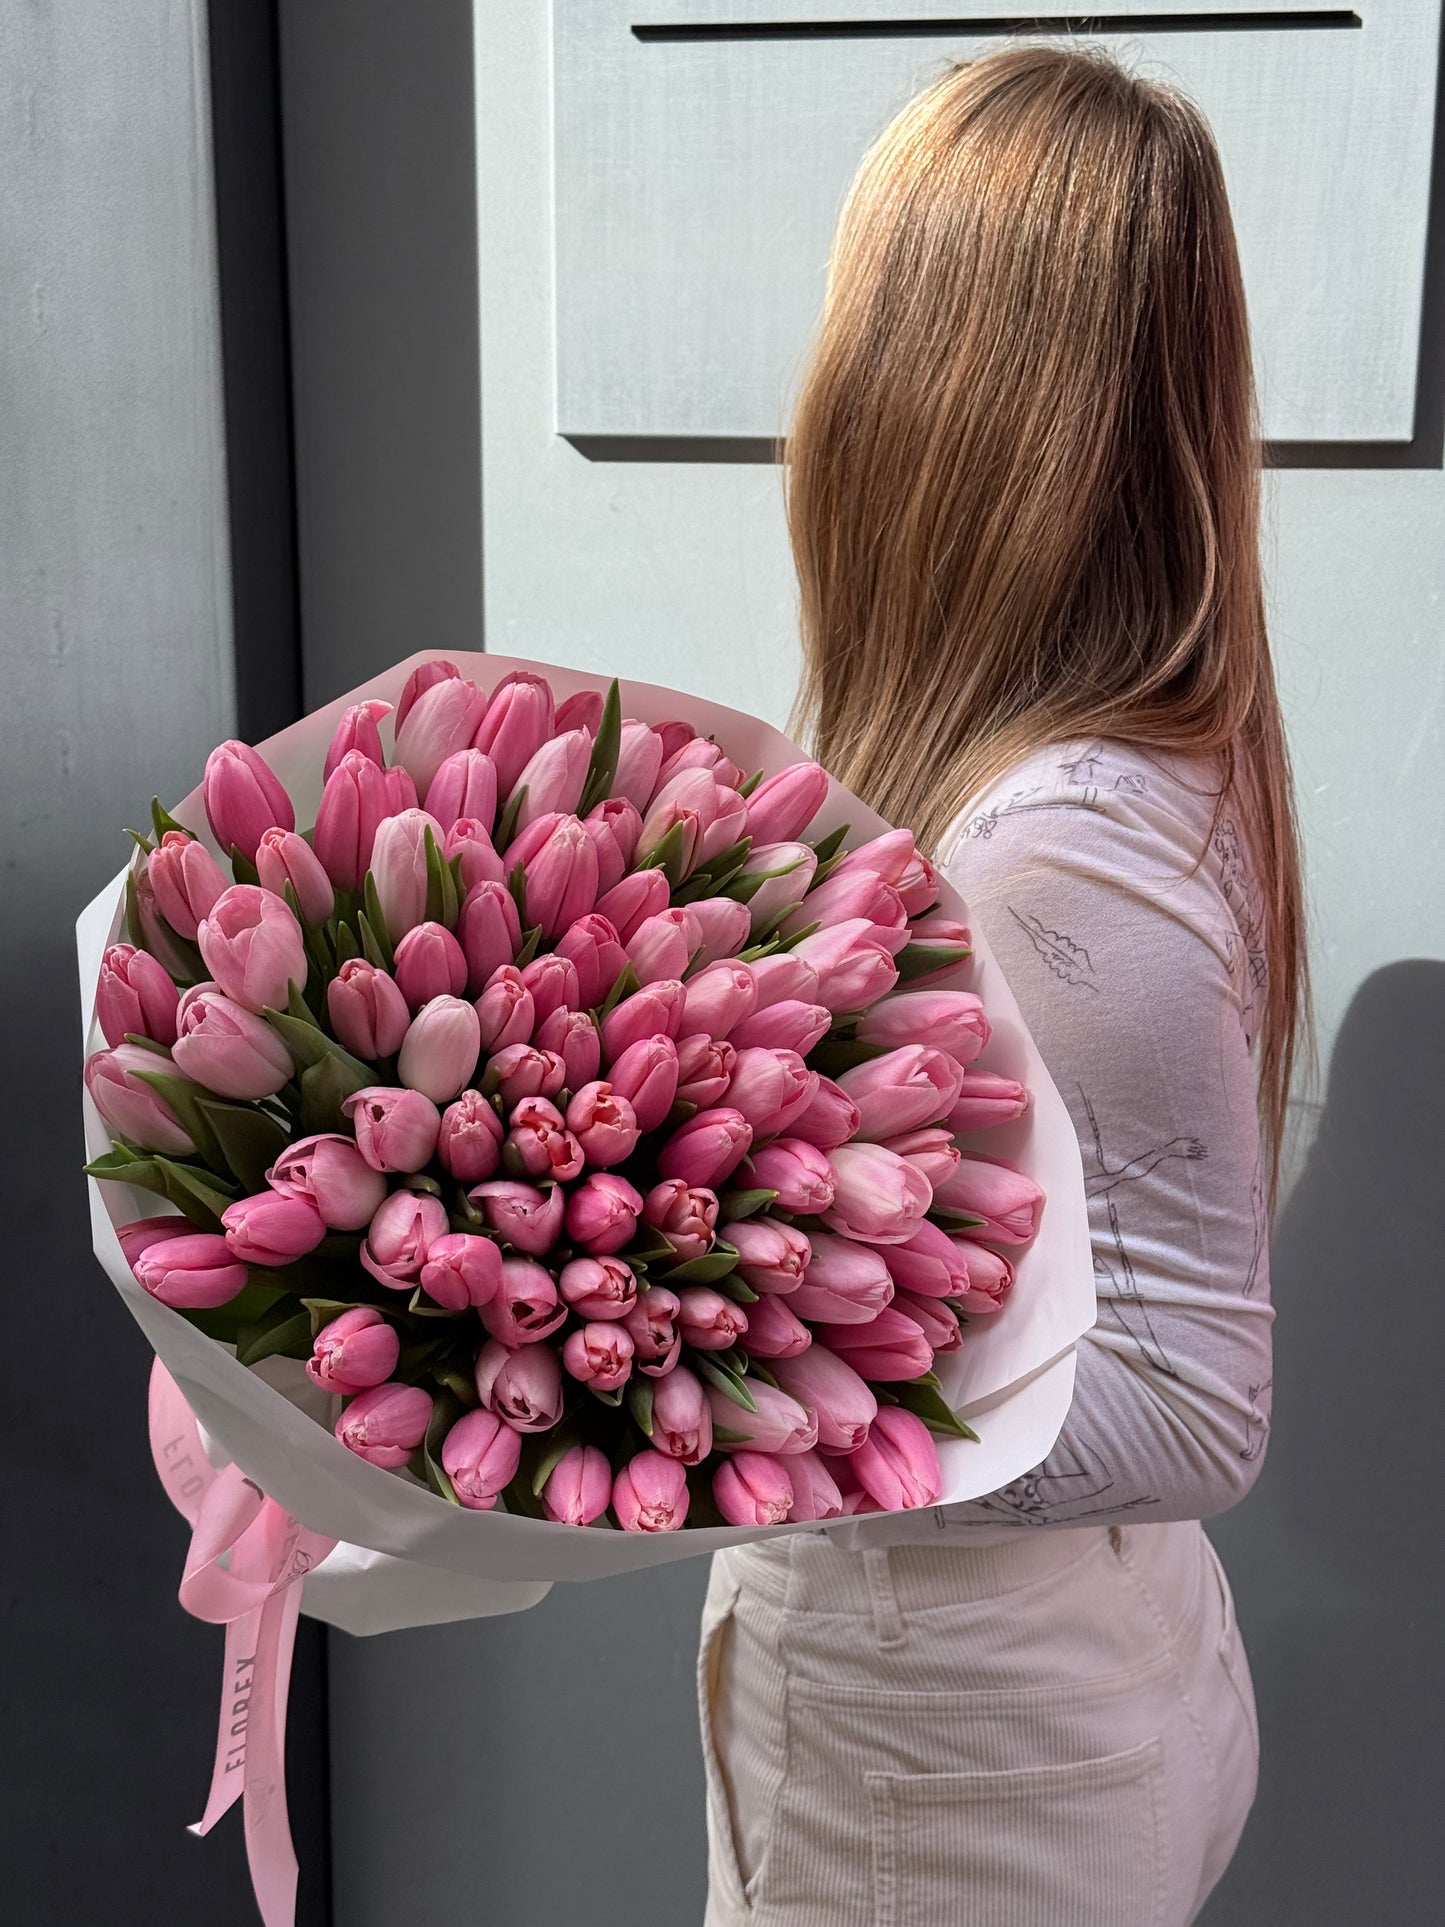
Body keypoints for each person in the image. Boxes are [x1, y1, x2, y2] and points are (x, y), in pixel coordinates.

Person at [698, 42, 1310, 1927]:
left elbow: (1193, 1409)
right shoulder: (1107, 767)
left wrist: (698, 1393)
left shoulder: (1058, 838)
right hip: (993, 1710)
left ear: (921, 382)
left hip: (953, 1775)